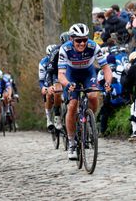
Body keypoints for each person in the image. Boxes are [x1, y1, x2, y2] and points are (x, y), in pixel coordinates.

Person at [58, 23, 112, 160]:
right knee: (72, 105)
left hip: (88, 72)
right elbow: (60, 75)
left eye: (84, 40)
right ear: (71, 39)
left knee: (93, 95)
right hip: (71, 74)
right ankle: (71, 142)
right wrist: (67, 84)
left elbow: (106, 68)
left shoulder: (93, 46)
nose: (82, 43)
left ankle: (88, 120)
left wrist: (108, 82)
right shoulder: (65, 49)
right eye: (78, 40)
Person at [97, 55, 128, 135]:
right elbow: (126, 82)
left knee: (104, 113)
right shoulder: (121, 68)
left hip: (109, 100)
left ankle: (102, 131)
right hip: (123, 98)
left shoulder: (101, 72)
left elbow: (100, 87)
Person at [39, 44, 63, 130]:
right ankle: (49, 119)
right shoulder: (43, 63)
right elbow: (41, 80)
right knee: (48, 94)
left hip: (59, 75)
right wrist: (44, 87)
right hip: (48, 79)